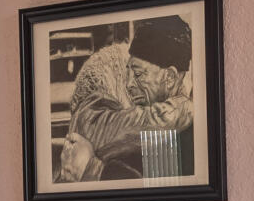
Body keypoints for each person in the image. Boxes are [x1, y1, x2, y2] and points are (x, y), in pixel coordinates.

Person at [58, 16, 195, 182]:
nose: (129, 84)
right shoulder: (146, 128)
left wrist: (93, 170)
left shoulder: (189, 141)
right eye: (127, 73)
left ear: (170, 77)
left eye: (138, 74)